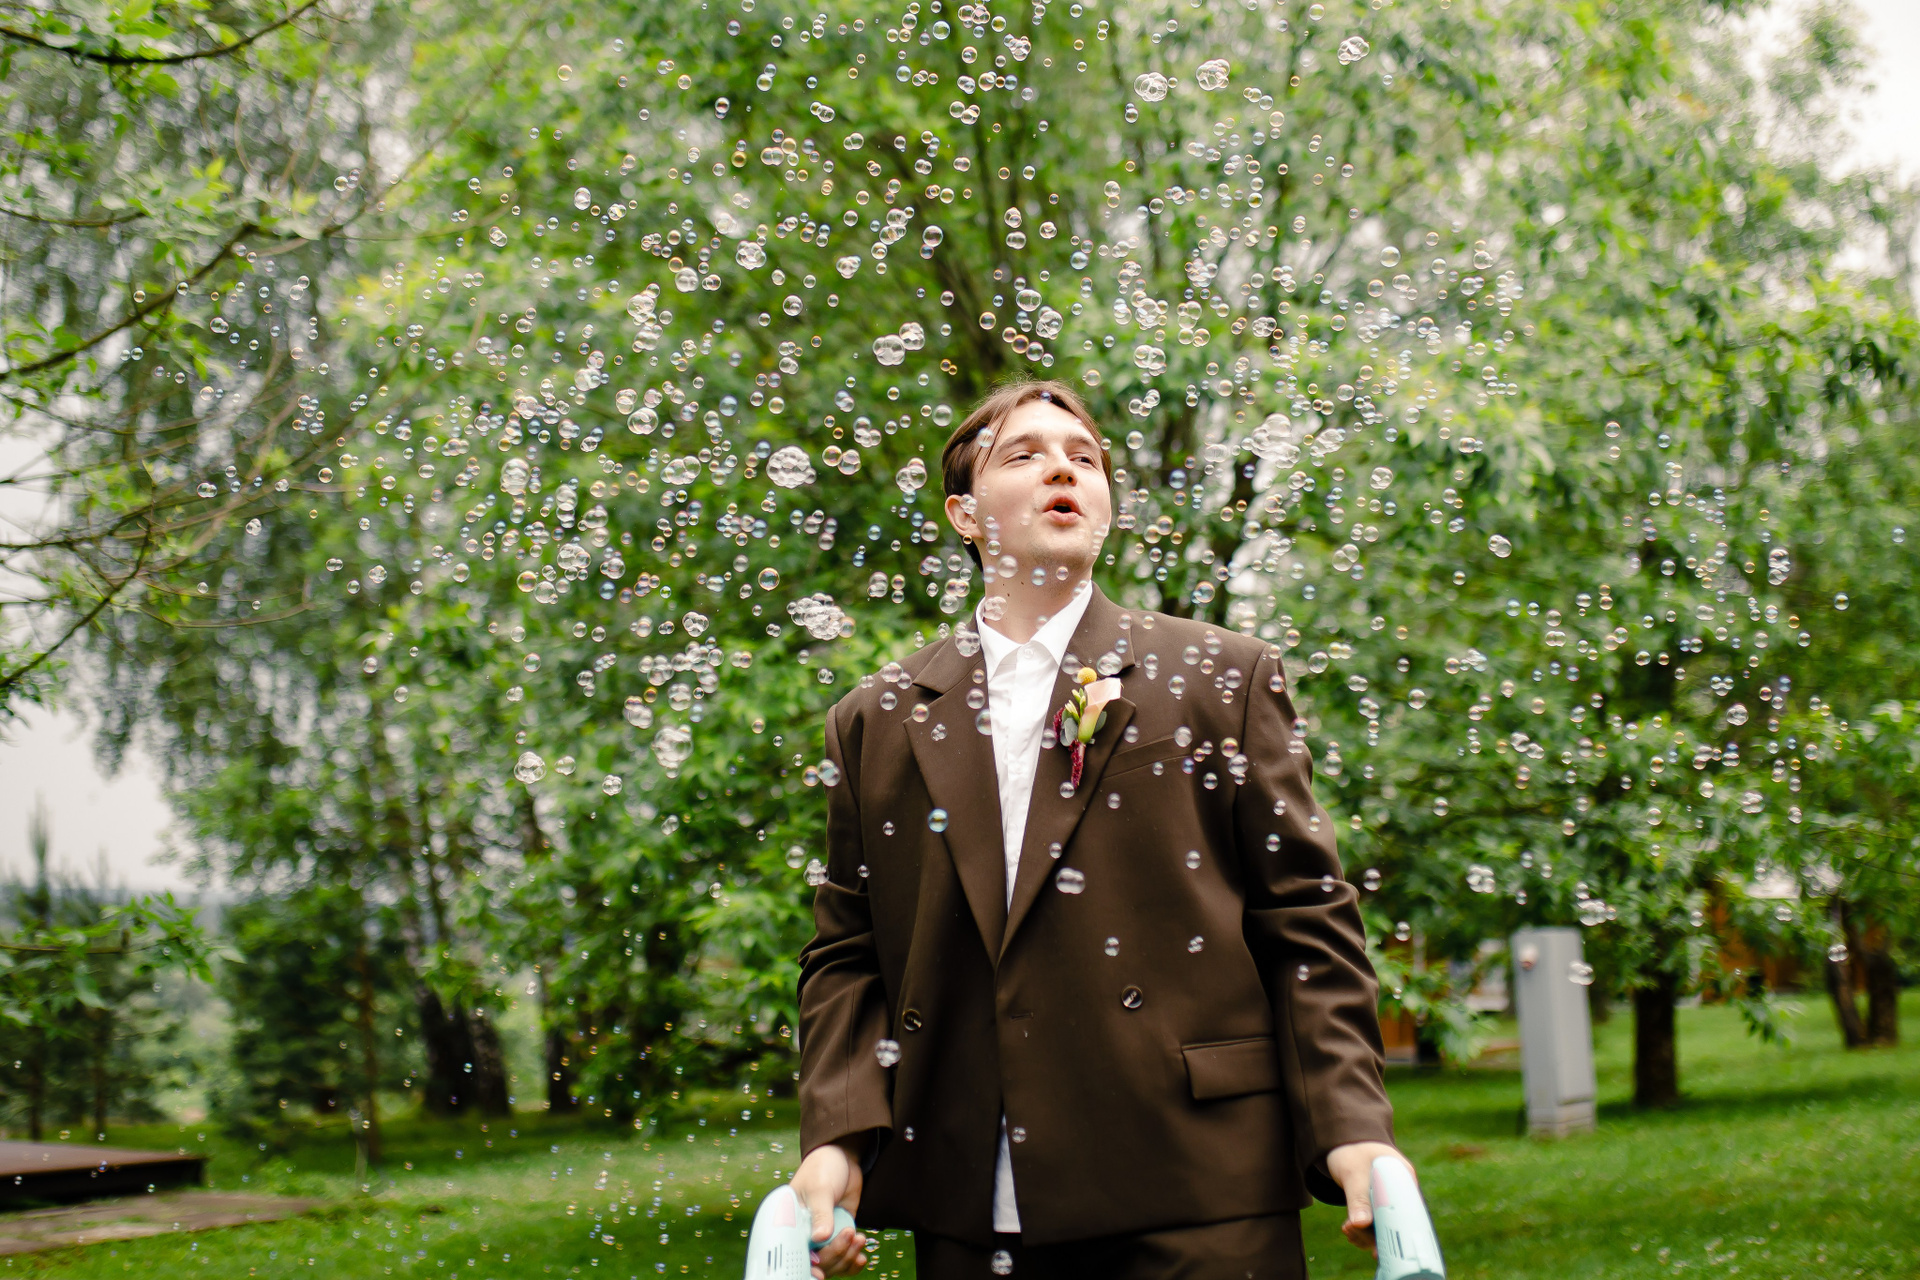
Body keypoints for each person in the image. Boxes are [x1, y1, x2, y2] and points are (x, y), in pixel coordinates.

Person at [790, 379, 1411, 1280]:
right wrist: (837, 1137)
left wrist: (1353, 1130)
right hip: (973, 1204)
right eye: (1025, 454)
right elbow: (849, 954)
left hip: (1199, 1185)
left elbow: (1305, 916)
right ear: (965, 515)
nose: (1064, 470)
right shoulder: (876, 719)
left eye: (1084, 457)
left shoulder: (1221, 677)